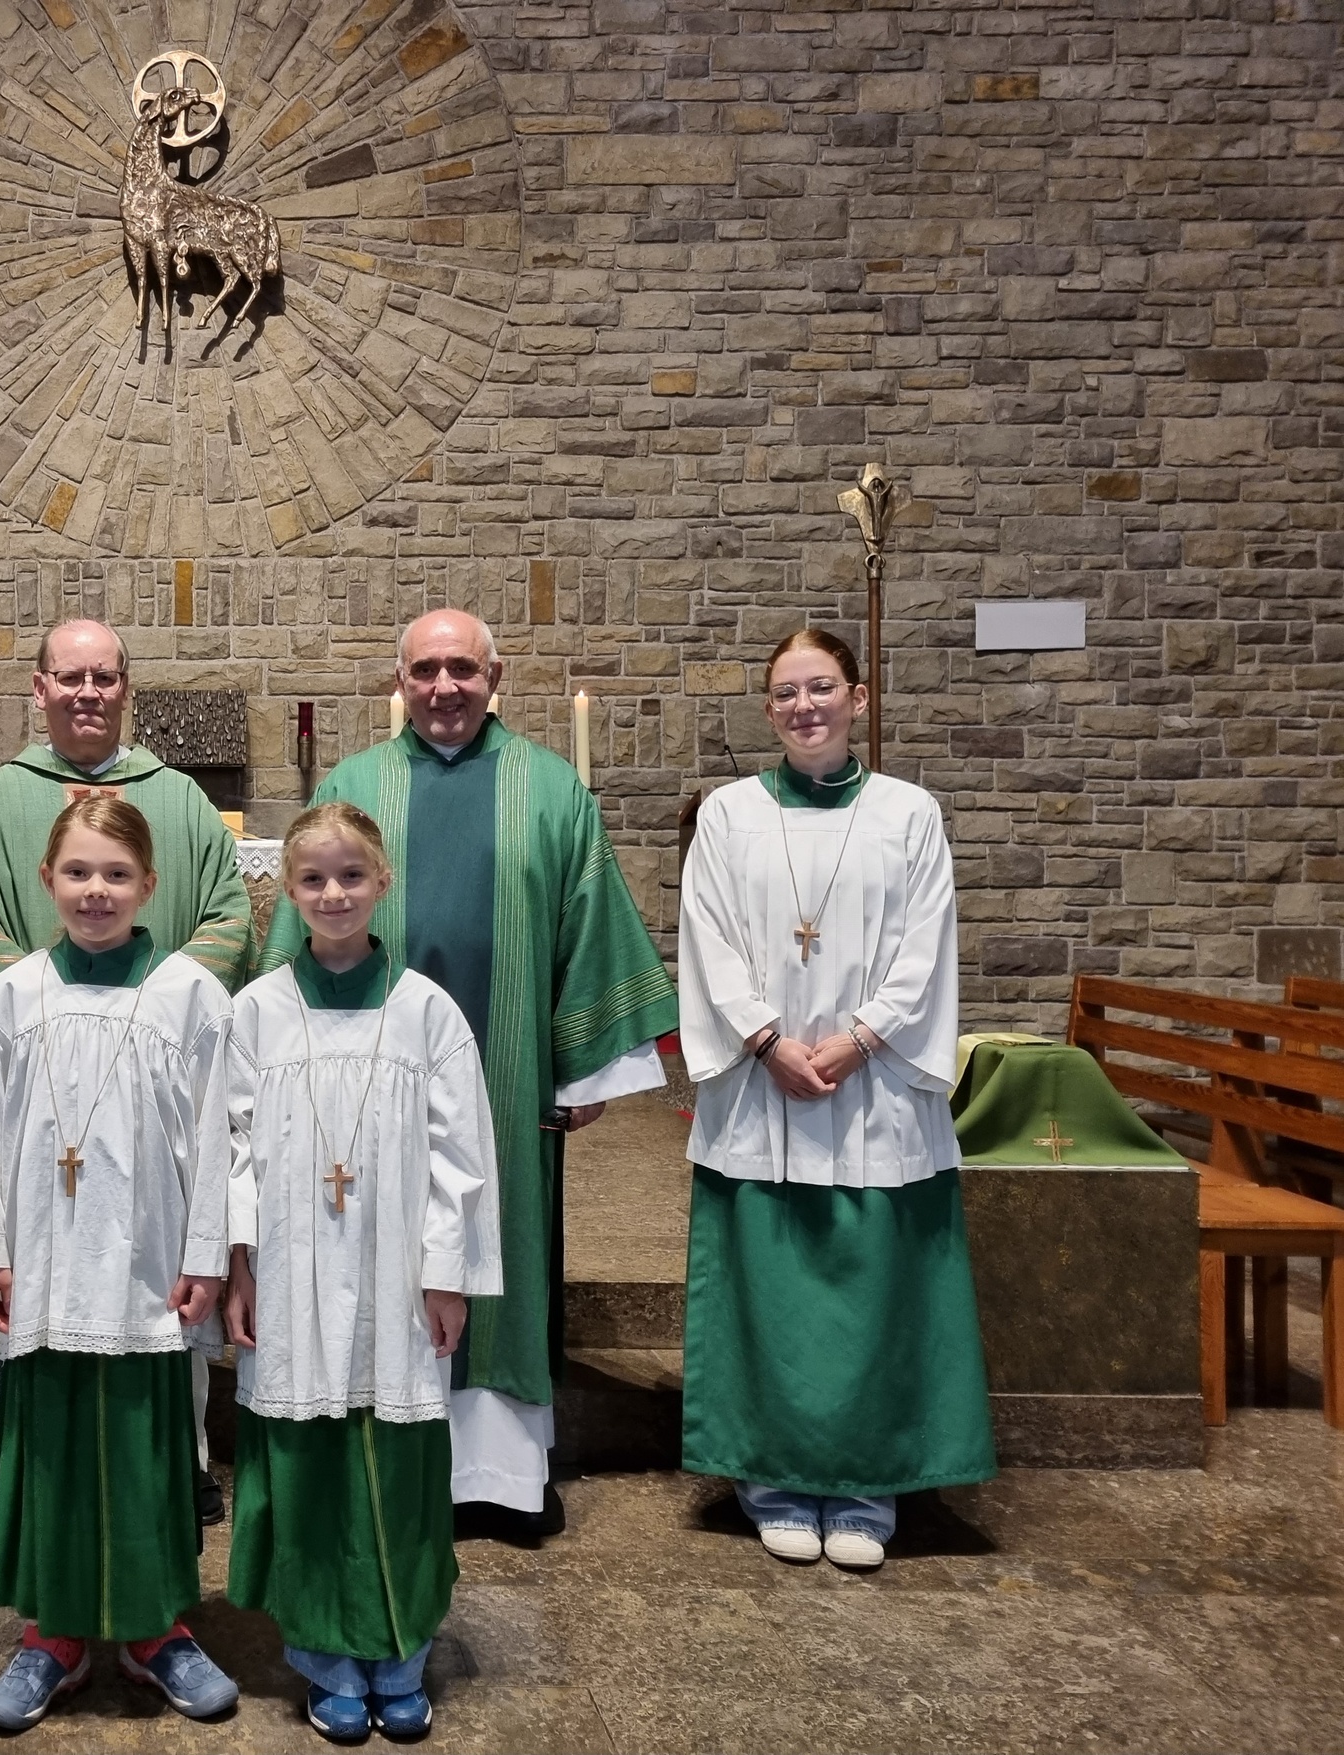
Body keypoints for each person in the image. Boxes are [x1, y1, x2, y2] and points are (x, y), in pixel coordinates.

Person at [260, 609, 678, 1542]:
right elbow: (302, 931)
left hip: (506, 1075)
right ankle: (382, 1461)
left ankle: (498, 1473)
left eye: (461, 668)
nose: (443, 686)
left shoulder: (552, 789)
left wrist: (585, 1069)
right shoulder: (354, 784)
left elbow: (588, 925)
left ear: (497, 676)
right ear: (398, 681)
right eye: (425, 670)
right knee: (372, 1248)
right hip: (360, 1093)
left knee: (501, 1252)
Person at [0, 618, 253, 1513]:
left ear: (126, 687)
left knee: (156, 1268)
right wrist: (50, 1009)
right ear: (40, 687)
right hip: (30, 1091)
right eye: (71, 676)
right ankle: (2, 1468)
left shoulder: (176, 798)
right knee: (21, 1255)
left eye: (104, 676)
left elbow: (230, 918)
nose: (88, 691)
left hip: (153, 1091)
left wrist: (147, 1008)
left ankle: (170, 1466)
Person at [675, 629, 994, 1571]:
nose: (804, 707)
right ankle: (769, 1475)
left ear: (858, 697)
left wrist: (859, 1039)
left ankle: (863, 1484)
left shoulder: (909, 812)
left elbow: (926, 946)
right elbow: (708, 939)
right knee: (770, 1289)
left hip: (875, 1087)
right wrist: (767, 1041)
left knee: (873, 1287)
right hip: (762, 1083)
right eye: (785, 694)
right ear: (769, 709)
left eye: (821, 689)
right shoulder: (730, 816)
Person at [0, 796, 240, 1733]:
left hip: (149, 1264)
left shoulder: (192, 995)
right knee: (55, 1446)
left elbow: (219, 1135)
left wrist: (206, 1257)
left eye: (117, 874)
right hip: (44, 1263)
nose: (97, 890)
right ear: (47, 882)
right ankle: (52, 1635)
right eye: (78, 872)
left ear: (149, 885)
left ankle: (160, 1629)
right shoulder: (11, 996)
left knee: (151, 1448)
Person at [225, 804, 501, 1744]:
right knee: (309, 1462)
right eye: (313, 879)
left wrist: (447, 1272)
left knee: (400, 1462)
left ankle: (402, 1651)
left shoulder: (426, 1009)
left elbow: (462, 1153)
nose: (333, 893)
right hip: (293, 1274)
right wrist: (237, 1264)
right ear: (289, 892)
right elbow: (228, 1152)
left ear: (382, 882)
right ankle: (328, 1658)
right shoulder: (257, 1010)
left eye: (351, 876)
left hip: (394, 1277)